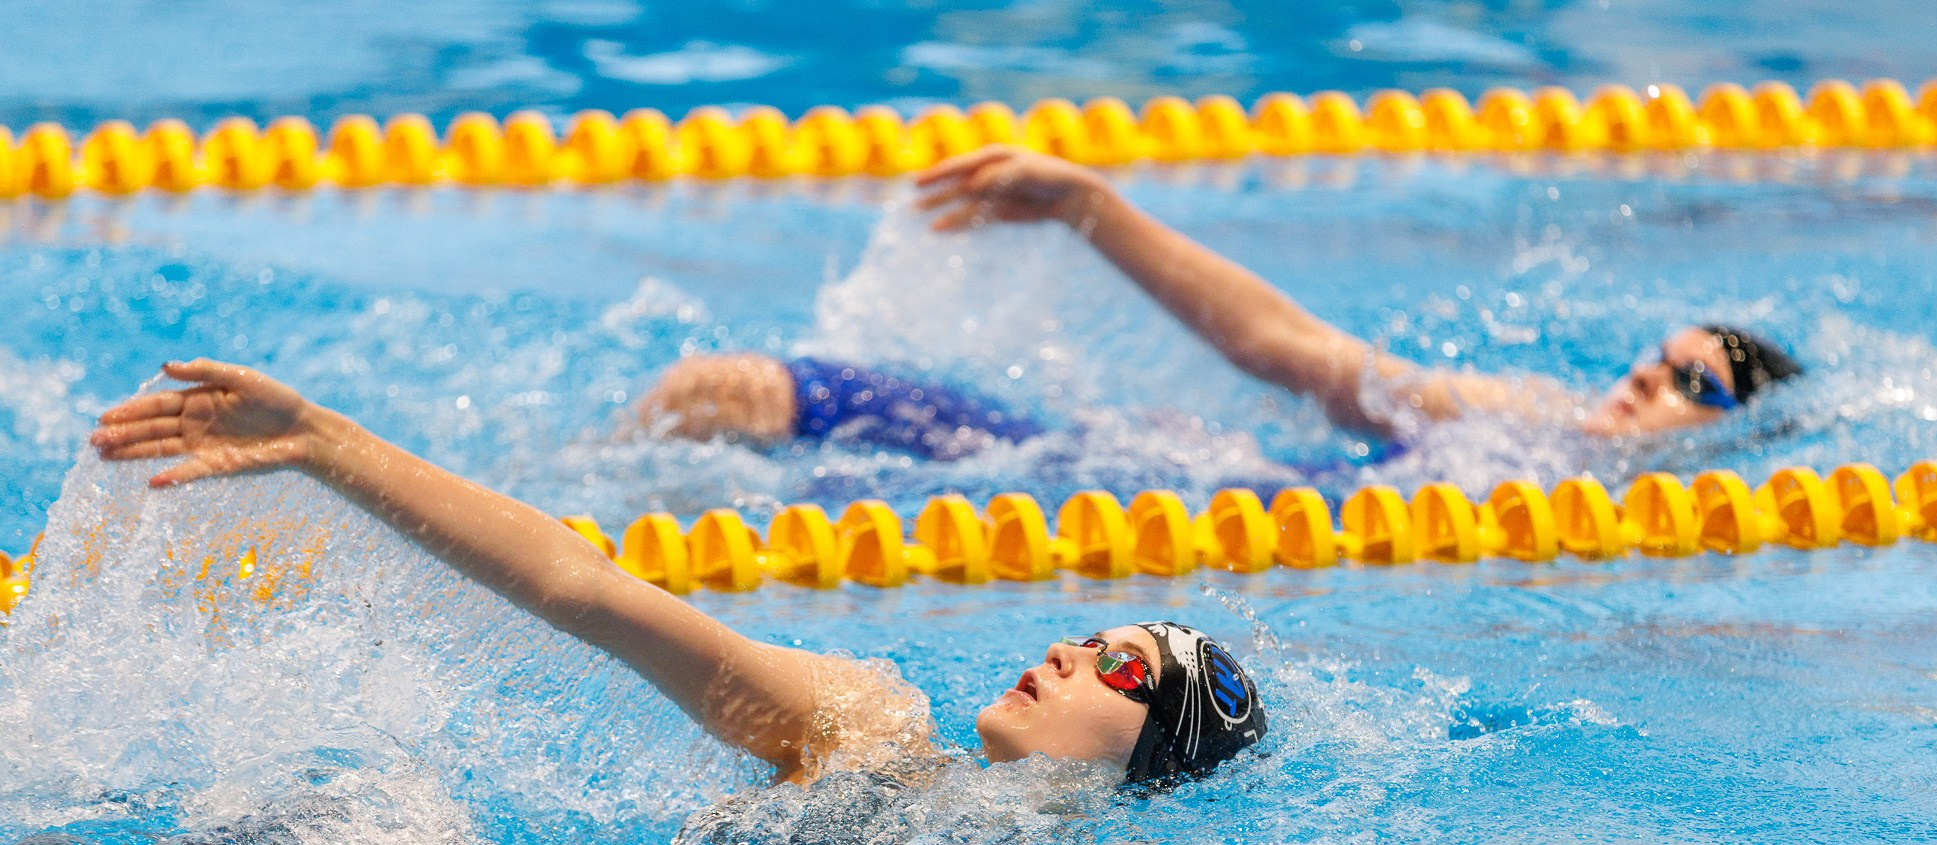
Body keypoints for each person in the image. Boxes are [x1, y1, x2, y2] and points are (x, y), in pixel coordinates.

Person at [90, 360, 1266, 791]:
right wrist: (326, 445)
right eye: (1090, 634)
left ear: (1155, 759)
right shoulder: (869, 729)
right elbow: (592, 594)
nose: (1068, 649)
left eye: (1118, 667)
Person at [638, 146, 1801, 452]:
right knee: (726, 390)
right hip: (1120, 473)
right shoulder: (1518, 414)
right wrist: (1087, 206)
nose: (1648, 375)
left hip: (1114, 508)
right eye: (1658, 355)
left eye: (1690, 381)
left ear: (1733, 435)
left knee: (727, 395)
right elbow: (1284, 347)